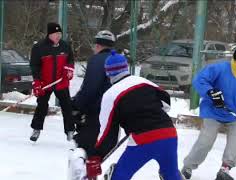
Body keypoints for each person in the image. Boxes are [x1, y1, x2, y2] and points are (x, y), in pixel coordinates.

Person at [68, 52, 181, 180]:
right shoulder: (144, 82)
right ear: (125, 68)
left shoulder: (110, 95)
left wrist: (96, 156)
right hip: (169, 134)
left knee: (120, 176)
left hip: (143, 139)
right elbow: (166, 103)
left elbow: (108, 133)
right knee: (171, 175)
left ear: (108, 73)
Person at [180, 47, 236, 180]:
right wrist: (211, 92)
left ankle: (225, 169)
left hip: (235, 114)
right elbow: (199, 80)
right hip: (213, 112)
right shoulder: (220, 68)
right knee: (205, 141)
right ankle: (187, 167)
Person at [71, 30, 115, 159]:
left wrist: (76, 105)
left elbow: (89, 88)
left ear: (98, 45)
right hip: (114, 112)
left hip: (96, 112)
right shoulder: (118, 59)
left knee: (87, 149)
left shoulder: (97, 60)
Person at [29, 22, 75, 142]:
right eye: (55, 33)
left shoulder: (65, 46)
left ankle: (70, 130)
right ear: (49, 34)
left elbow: (70, 59)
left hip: (61, 82)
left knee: (67, 106)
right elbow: (35, 66)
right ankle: (36, 129)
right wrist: (37, 82)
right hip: (45, 83)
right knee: (42, 106)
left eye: (60, 33)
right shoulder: (39, 47)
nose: (58, 36)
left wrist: (69, 69)